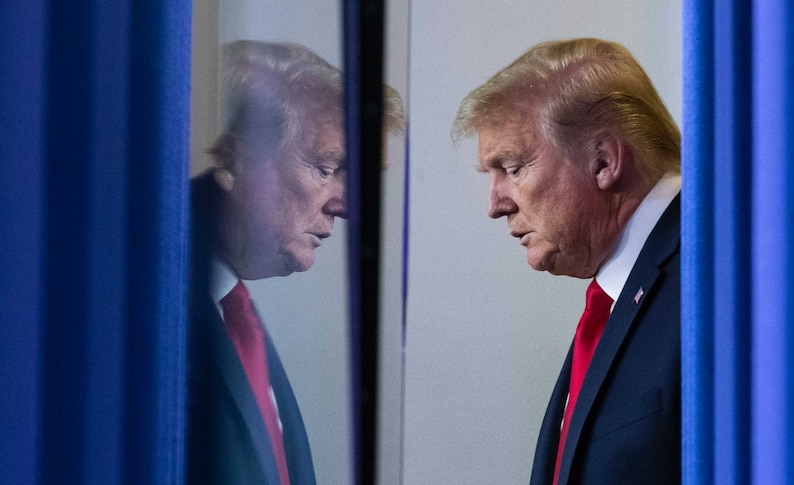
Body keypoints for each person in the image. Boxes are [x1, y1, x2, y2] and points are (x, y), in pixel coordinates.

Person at [452, 38, 681, 484]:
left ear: (603, 160)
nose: (495, 205)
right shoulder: (624, 290)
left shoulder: (711, 281)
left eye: (513, 168)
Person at [187, 40, 403, 485]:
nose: (345, 206)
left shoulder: (231, 309)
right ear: (234, 158)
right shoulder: (149, 308)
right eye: (326, 168)